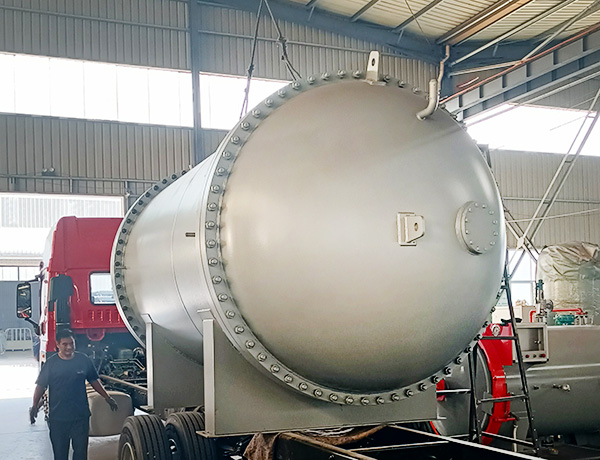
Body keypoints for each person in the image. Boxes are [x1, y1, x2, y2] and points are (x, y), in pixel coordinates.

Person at [30, 329, 119, 460]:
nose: (69, 347)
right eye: (65, 344)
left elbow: (94, 381)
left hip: (80, 416)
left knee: (81, 453)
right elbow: (40, 386)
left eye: (72, 343)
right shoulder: (51, 364)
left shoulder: (83, 360)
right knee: (60, 454)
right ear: (57, 345)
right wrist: (34, 406)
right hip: (58, 418)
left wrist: (107, 397)